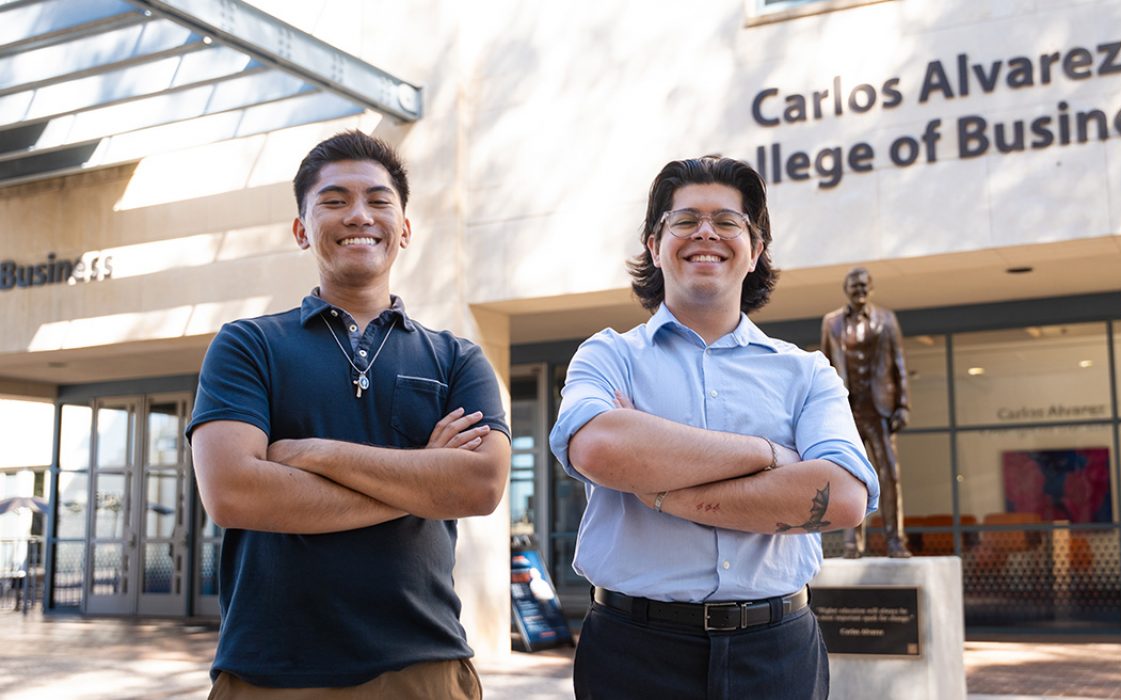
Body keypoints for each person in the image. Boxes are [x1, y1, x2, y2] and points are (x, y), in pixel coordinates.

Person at [186, 131, 511, 698]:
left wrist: (312, 454)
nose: (359, 215)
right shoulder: (247, 345)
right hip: (269, 669)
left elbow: (479, 486)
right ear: (301, 228)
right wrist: (423, 477)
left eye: (379, 200)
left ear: (404, 229)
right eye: (334, 201)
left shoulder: (457, 357)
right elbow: (234, 493)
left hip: (424, 665)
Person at [550, 155, 879, 700]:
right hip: (634, 652)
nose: (707, 232)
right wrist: (771, 456)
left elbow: (842, 497)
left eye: (728, 221)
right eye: (685, 220)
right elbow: (601, 448)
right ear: (655, 245)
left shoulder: (806, 371)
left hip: (778, 655)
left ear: (756, 250)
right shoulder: (608, 355)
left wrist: (658, 489)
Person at [820, 267, 911, 558]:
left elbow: (898, 363)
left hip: (879, 409)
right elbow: (824, 368)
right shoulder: (831, 323)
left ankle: (895, 540)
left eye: (863, 285)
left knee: (890, 474)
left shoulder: (886, 320)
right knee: (850, 475)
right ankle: (852, 543)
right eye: (853, 285)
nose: (859, 289)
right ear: (846, 289)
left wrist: (903, 404)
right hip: (848, 411)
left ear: (870, 288)